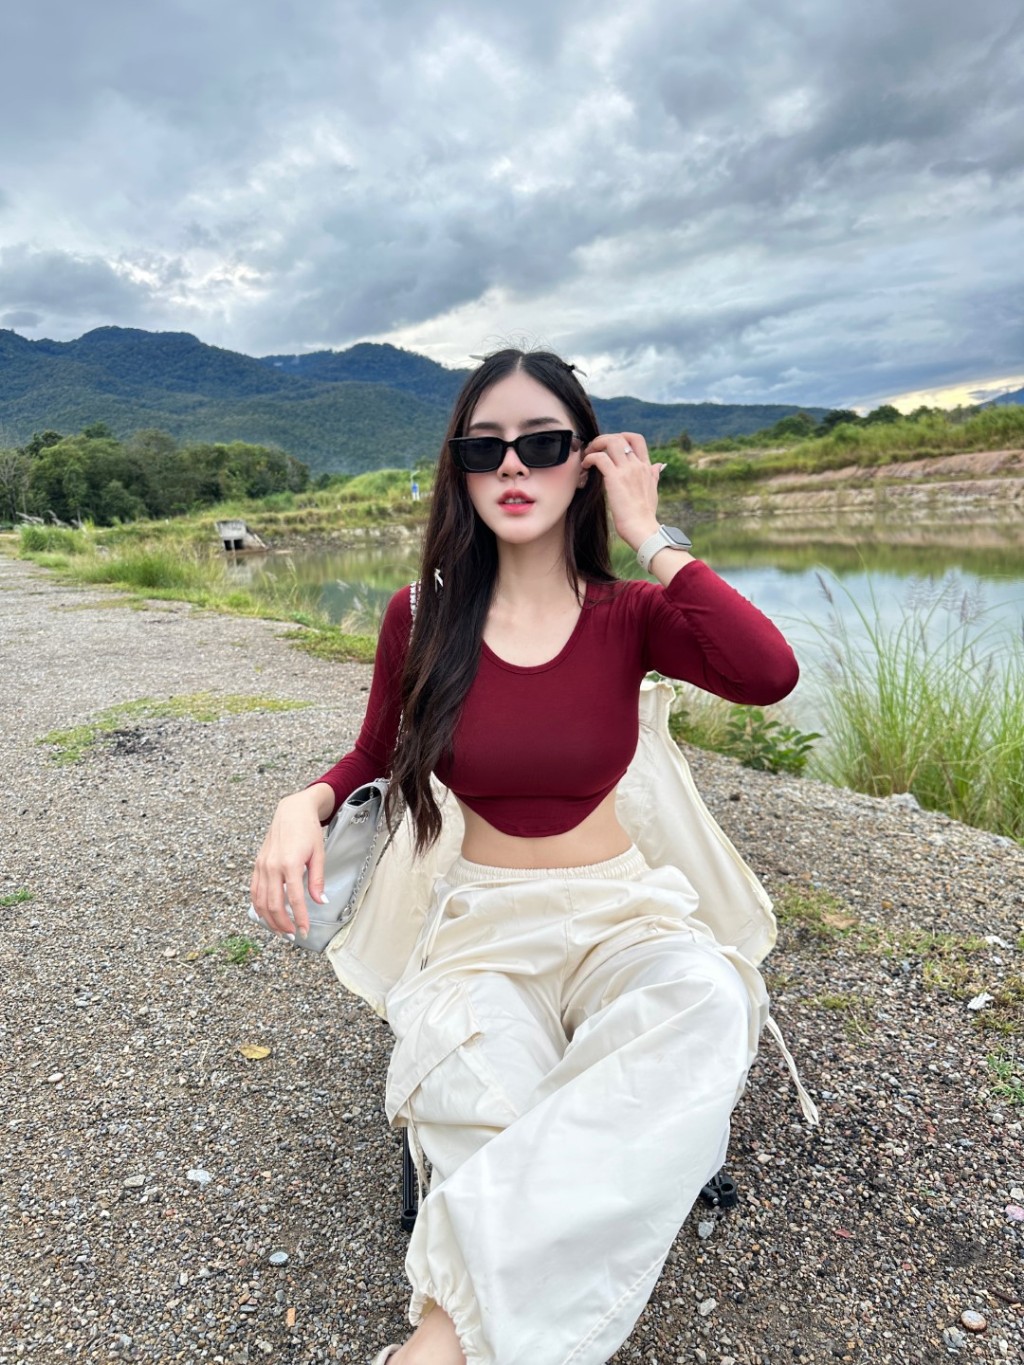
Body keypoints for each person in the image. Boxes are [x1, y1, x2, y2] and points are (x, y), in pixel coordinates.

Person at [250, 349, 808, 1365]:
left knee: (703, 1003)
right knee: (482, 1099)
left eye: (543, 444)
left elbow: (767, 673)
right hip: (482, 923)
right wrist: (306, 800)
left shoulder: (630, 613)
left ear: (583, 464)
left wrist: (650, 535)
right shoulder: (419, 617)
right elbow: (376, 752)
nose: (513, 466)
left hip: (621, 913)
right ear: (459, 471)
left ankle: (433, 1345)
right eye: (485, 448)